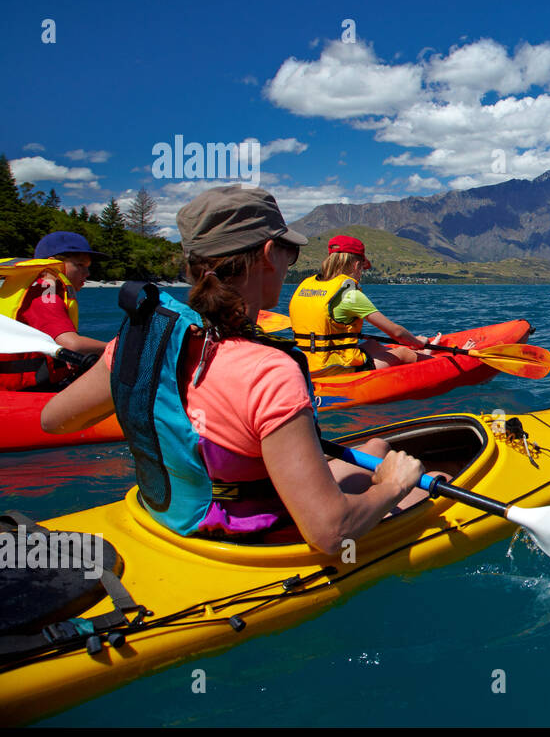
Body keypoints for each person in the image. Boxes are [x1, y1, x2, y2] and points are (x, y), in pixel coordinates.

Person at [41, 186, 433, 554]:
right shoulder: (269, 370)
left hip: (162, 514)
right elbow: (332, 532)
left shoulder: (139, 341)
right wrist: (394, 485)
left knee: (378, 447)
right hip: (239, 536)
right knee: (436, 482)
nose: (288, 264)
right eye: (289, 254)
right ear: (267, 253)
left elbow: (54, 420)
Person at [288, 235, 433, 377]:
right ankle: (432, 362)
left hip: (305, 364)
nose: (361, 274)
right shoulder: (349, 294)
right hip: (332, 369)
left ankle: (418, 356)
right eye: (362, 269)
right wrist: (417, 342)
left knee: (372, 345)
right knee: (403, 353)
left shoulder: (306, 286)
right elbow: (396, 332)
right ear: (357, 265)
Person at [0, 231, 109, 391]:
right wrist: (115, 346)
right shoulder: (44, 290)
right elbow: (73, 345)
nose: (87, 273)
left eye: (88, 267)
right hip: (29, 391)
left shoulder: (30, 287)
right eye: (80, 265)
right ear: (52, 263)